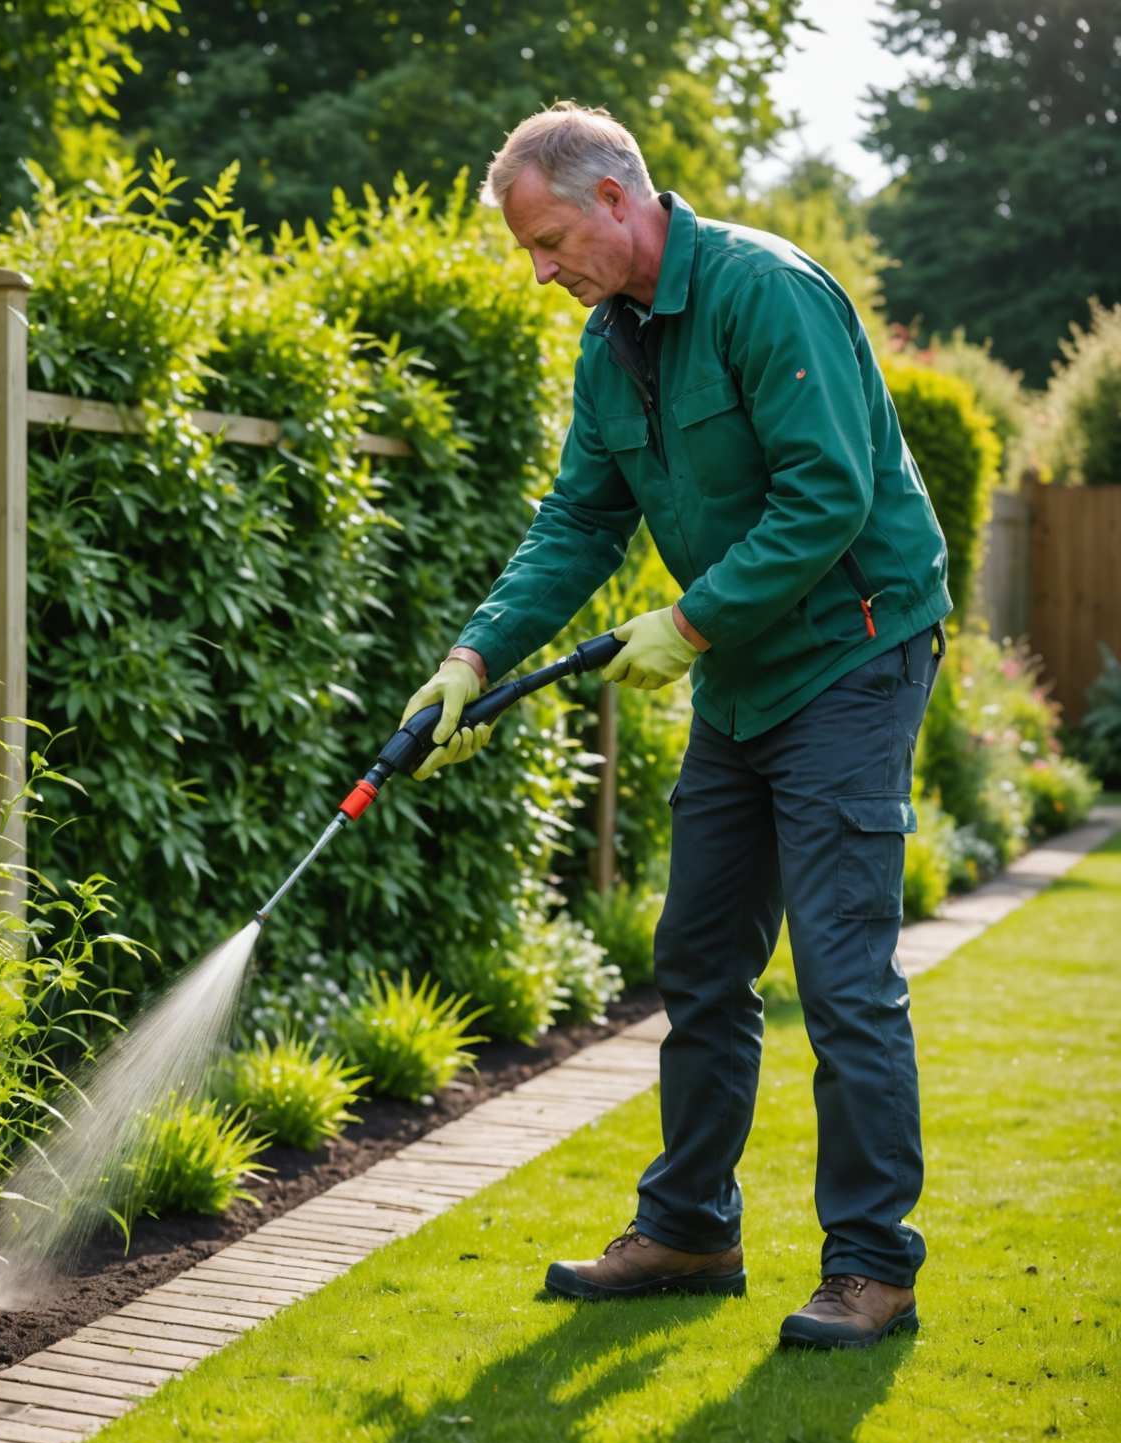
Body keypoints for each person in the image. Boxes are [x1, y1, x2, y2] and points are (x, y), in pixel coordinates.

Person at [401, 101, 951, 1350]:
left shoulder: (766, 292)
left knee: (841, 976)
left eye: (548, 241)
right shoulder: (613, 345)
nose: (541, 273)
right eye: (527, 254)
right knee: (700, 959)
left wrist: (690, 625)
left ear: (613, 198)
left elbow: (830, 494)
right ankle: (693, 1227)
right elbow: (577, 523)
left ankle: (873, 1266)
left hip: (855, 656)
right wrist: (470, 655)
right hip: (746, 681)